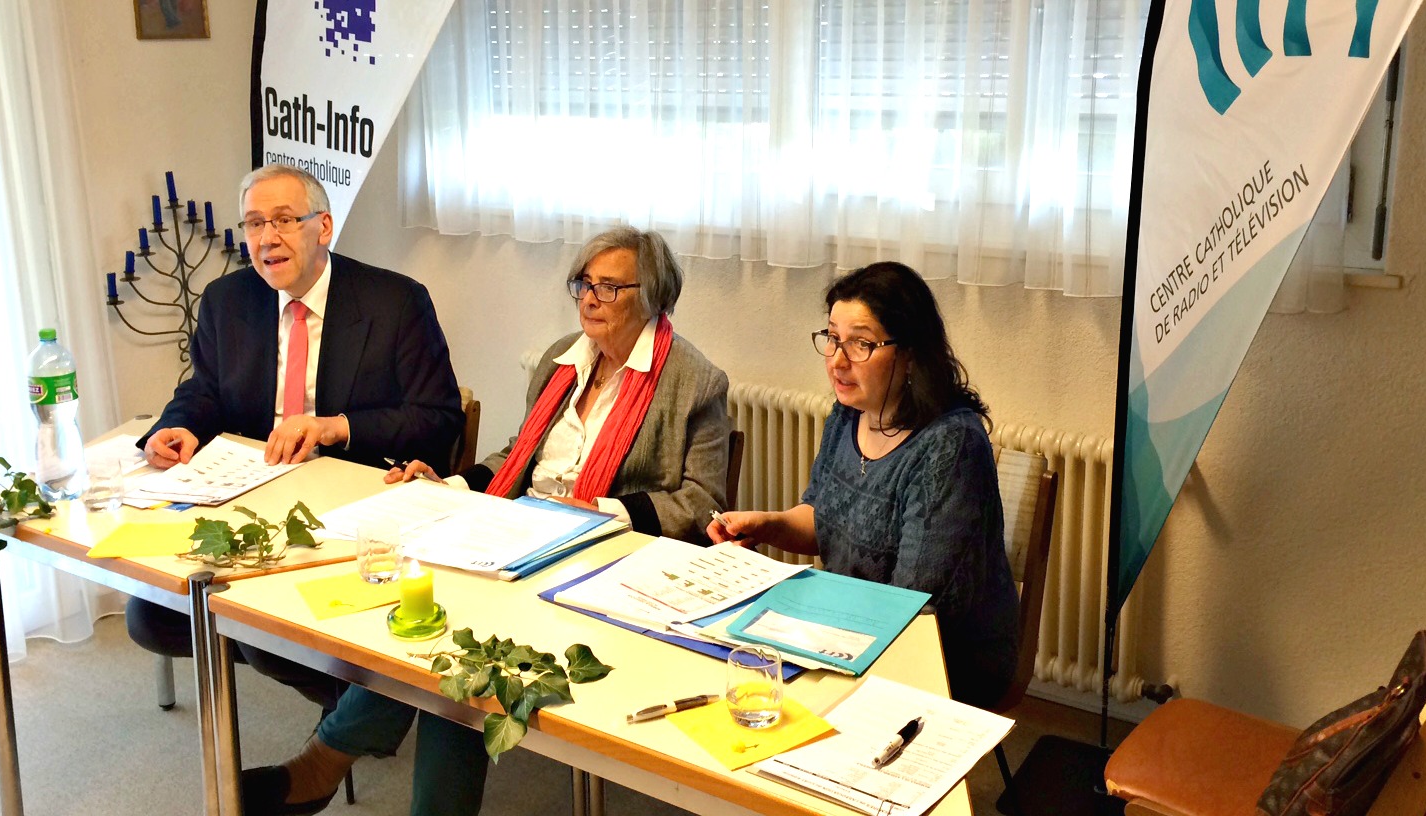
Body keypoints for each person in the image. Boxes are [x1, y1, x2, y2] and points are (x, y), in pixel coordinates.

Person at [241, 226, 730, 816]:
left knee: (462, 656)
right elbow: (517, 455)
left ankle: (324, 761)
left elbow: (702, 500)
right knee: (433, 630)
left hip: (608, 559)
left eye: (608, 287)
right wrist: (449, 483)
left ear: (652, 296)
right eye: (583, 284)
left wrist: (601, 509)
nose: (589, 300)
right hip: (521, 534)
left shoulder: (694, 379)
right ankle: (332, 761)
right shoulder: (561, 358)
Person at [126, 164, 463, 713]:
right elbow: (205, 391)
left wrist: (335, 425)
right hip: (252, 499)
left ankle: (351, 712)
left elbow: (439, 416)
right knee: (153, 616)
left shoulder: (395, 302)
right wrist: (177, 426)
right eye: (254, 224)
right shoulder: (226, 301)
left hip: (350, 508)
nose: (267, 238)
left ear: (323, 227)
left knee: (272, 639)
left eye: (284, 220)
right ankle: (339, 682)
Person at [708, 261, 1019, 710]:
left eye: (861, 343)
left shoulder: (949, 445)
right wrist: (767, 525)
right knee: (737, 679)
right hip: (851, 632)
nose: (838, 359)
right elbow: (823, 518)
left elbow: (912, 605)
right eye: (833, 338)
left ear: (910, 353)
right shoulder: (848, 414)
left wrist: (804, 611)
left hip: (940, 657)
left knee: (762, 693)